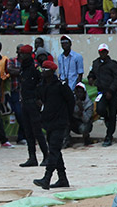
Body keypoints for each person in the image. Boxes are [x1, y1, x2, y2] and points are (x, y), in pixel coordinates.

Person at [33, 60, 74, 189]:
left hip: (60, 122)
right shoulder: (42, 86)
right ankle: (62, 178)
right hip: (48, 122)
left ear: (51, 72)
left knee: (54, 151)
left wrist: (67, 117)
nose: (42, 72)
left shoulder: (60, 85)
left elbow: (71, 101)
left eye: (44, 70)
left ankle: (47, 177)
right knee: (55, 151)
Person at [17, 44, 49, 165]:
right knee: (28, 131)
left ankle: (46, 155)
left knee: (37, 131)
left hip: (33, 102)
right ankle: (32, 157)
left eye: (23, 54)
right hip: (24, 102)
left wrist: (39, 98)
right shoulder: (23, 68)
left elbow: (42, 82)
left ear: (29, 55)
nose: (21, 56)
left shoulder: (35, 68)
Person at [88, 43, 117, 147]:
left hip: (114, 93)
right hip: (102, 92)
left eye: (104, 51)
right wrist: (90, 77)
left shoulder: (113, 64)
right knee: (100, 109)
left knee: (113, 114)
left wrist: (111, 90)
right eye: (100, 51)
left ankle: (109, 136)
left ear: (107, 52)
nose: (102, 53)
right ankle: (106, 119)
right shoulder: (96, 63)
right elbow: (93, 72)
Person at [69, 82, 94, 147]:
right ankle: (66, 139)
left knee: (84, 128)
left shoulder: (89, 104)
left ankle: (86, 139)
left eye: (81, 92)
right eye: (77, 92)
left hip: (84, 123)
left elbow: (86, 119)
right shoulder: (72, 99)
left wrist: (81, 110)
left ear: (84, 93)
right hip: (74, 121)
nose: (79, 94)